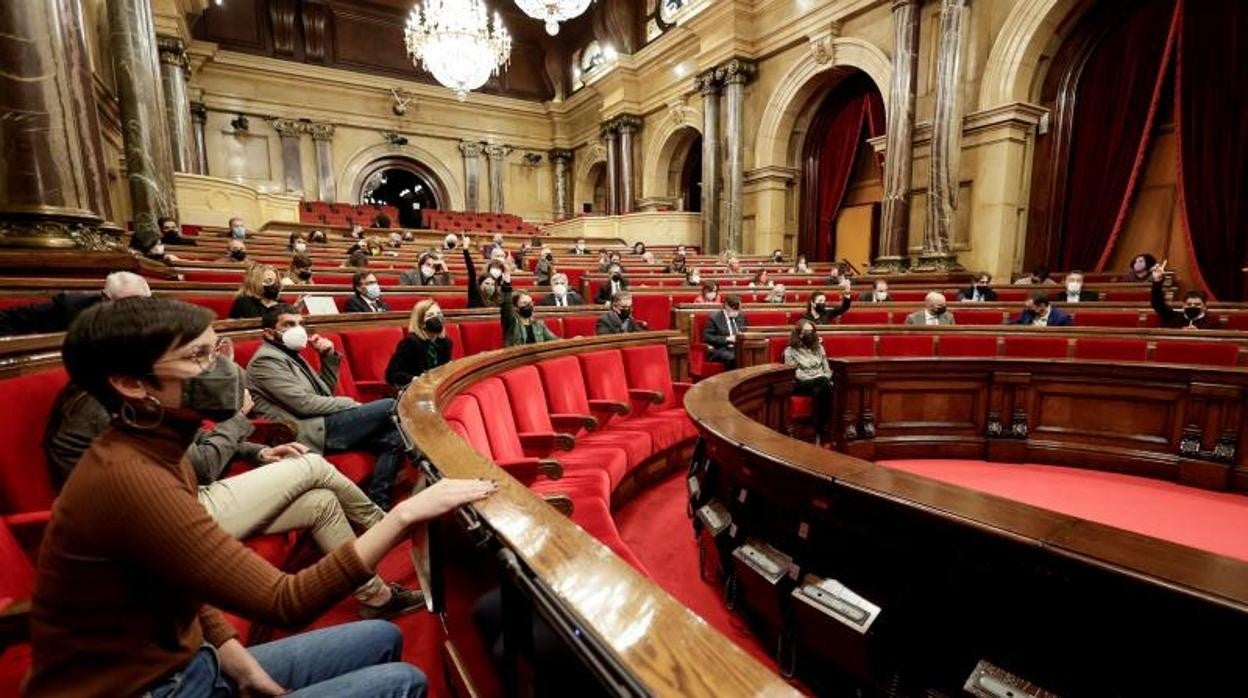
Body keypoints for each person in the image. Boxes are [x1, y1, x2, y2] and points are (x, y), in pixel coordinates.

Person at [30, 296, 495, 697]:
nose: (224, 371)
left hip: (197, 664)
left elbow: (183, 584)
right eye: (198, 358)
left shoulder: (158, 447)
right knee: (404, 681)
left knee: (377, 637)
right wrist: (405, 514)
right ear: (133, 384)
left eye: (219, 352)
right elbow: (285, 601)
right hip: (154, 688)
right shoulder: (131, 479)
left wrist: (237, 660)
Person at [42, 380, 425, 620]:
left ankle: (374, 595)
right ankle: (391, 528)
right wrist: (239, 417)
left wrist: (257, 452)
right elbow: (204, 463)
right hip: (164, 518)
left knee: (321, 501)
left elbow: (195, 446)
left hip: (182, 494)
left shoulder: (123, 390)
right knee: (311, 465)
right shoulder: (104, 407)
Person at [248, 305, 411, 508]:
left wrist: (328, 358)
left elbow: (323, 394)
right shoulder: (265, 360)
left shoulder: (291, 355)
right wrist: (352, 404)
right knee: (390, 405)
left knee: (394, 438)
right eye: (289, 324)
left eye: (300, 324)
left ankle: (379, 504)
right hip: (305, 432)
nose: (297, 329)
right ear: (269, 333)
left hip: (322, 423)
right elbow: (304, 404)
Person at [0, 271, 150, 337]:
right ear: (105, 297)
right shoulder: (69, 307)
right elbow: (7, 320)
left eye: (141, 303)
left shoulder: (156, 314)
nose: (135, 311)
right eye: (125, 304)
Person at [784, 318, 833, 446]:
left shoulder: (819, 348)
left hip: (820, 382)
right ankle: (825, 429)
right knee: (822, 383)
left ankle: (817, 431)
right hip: (801, 383)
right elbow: (794, 373)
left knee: (819, 390)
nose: (809, 334)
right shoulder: (790, 350)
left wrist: (823, 377)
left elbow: (827, 369)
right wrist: (817, 378)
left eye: (812, 331)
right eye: (806, 331)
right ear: (799, 333)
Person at [386, 300, 453, 387]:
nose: (437, 318)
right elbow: (392, 374)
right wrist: (414, 379)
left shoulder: (445, 342)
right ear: (421, 322)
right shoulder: (410, 343)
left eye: (439, 314)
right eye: (430, 315)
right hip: (416, 390)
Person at [1150, 260, 1216, 329]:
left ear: (1204, 307)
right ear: (1183, 305)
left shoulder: (1211, 323)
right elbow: (1157, 303)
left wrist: (1199, 334)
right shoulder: (1172, 317)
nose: (1192, 306)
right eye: (1189, 304)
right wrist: (1157, 280)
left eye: (1197, 304)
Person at [501, 272, 560, 346]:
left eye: (530, 303)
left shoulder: (538, 324)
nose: (529, 305)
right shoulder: (511, 323)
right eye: (524, 303)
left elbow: (555, 340)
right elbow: (506, 307)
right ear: (516, 307)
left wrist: (572, 341)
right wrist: (506, 286)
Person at [703, 295, 748, 369]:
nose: (736, 312)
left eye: (738, 309)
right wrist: (727, 339)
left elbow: (746, 331)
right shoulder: (715, 318)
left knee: (751, 355)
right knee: (733, 357)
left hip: (738, 347)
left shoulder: (741, 316)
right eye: (734, 309)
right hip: (721, 349)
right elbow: (707, 337)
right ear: (726, 306)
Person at [464, 237, 505, 308]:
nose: (490, 286)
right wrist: (465, 249)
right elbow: (472, 273)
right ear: (480, 284)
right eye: (487, 283)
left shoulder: (496, 300)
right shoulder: (475, 294)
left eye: (492, 284)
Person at [1008, 293, 1073, 327]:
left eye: (1031, 307)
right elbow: (1017, 322)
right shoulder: (1028, 312)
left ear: (1042, 305)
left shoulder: (1061, 318)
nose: (1027, 309)